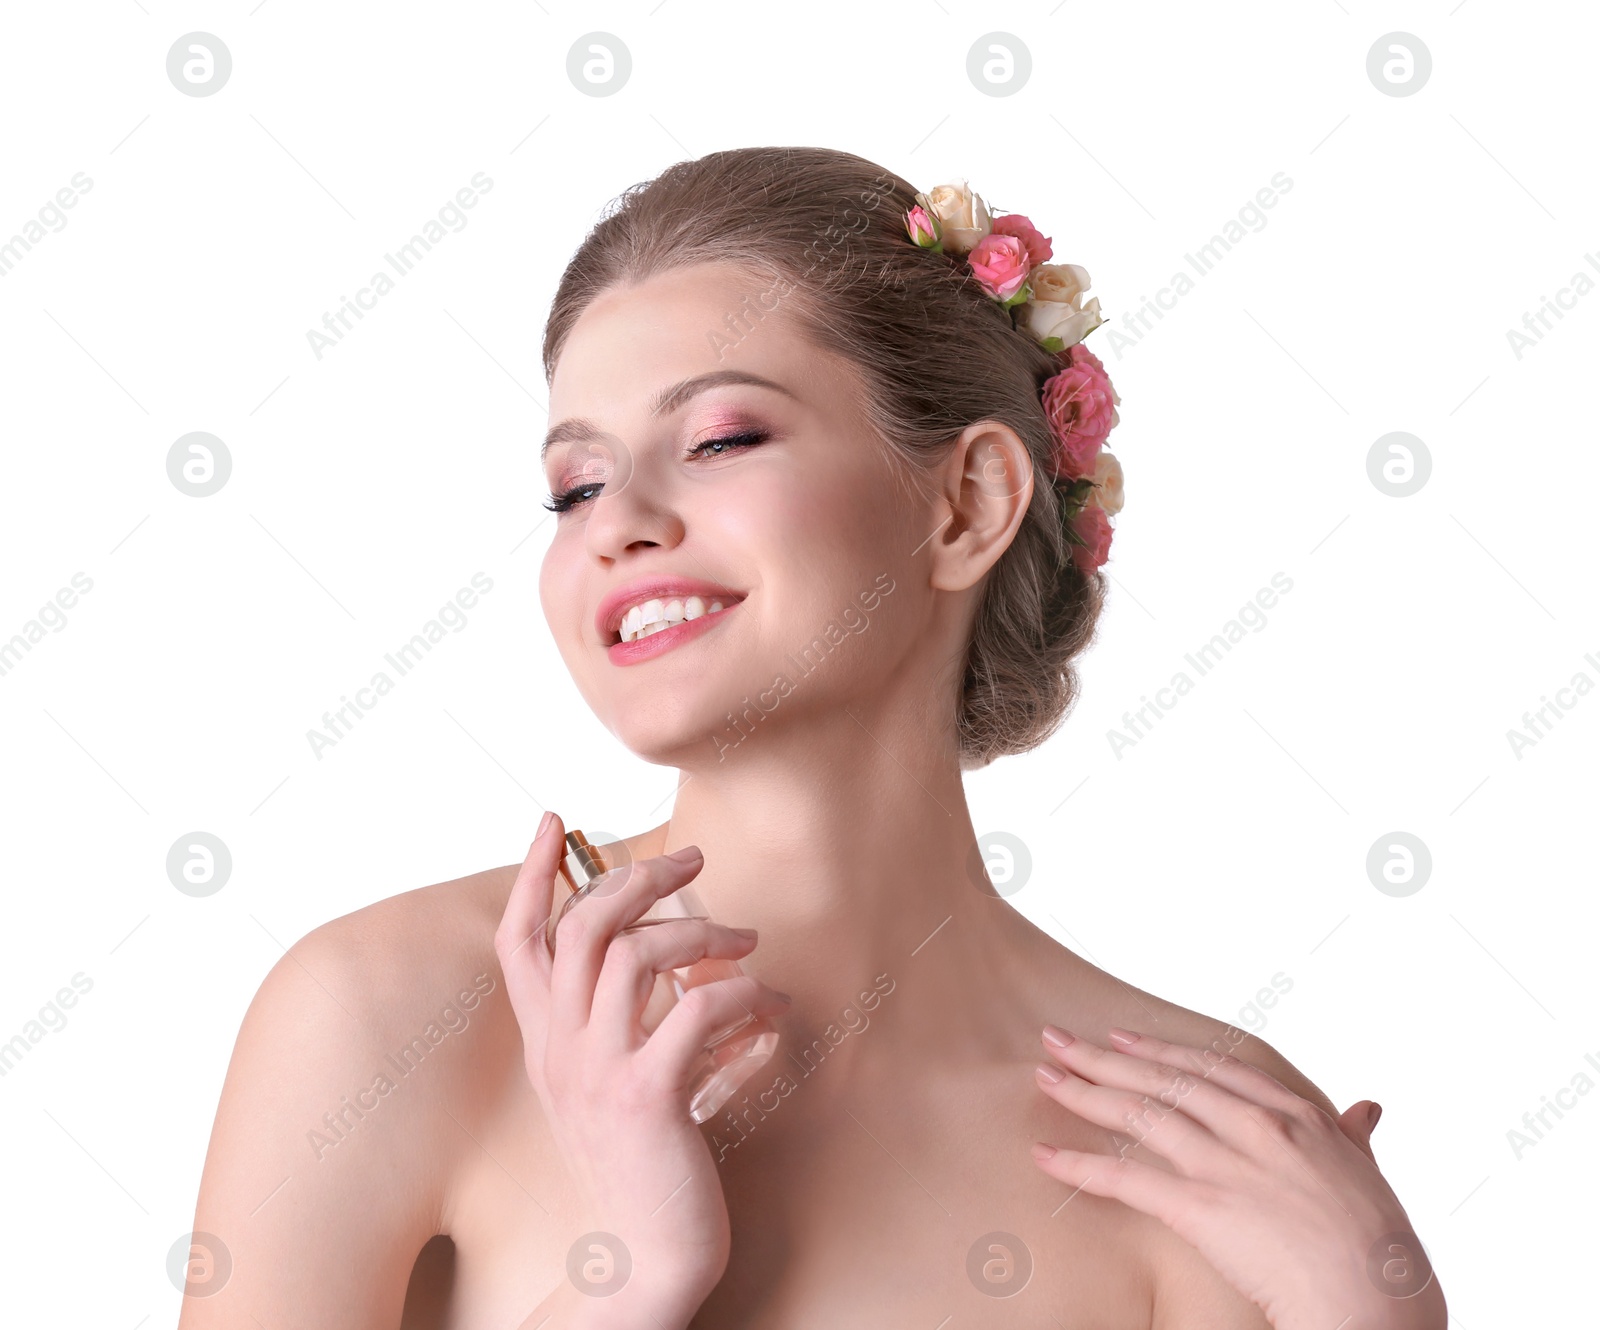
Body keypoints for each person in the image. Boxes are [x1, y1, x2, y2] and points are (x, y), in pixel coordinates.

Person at [178, 146, 1445, 1329]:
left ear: (968, 502)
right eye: (575, 486)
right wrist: (630, 1268)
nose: (617, 523)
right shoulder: (387, 1019)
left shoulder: (1202, 1144)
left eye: (721, 438)